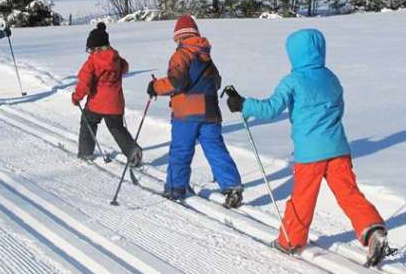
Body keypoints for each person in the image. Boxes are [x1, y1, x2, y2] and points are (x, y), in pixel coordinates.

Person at [224, 28, 391, 266]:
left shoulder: (292, 80)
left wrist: (243, 104)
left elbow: (271, 109)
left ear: (294, 54)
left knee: (302, 198)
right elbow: (339, 108)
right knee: (348, 193)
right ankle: (372, 228)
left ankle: (290, 240)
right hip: (338, 149)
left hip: (309, 153)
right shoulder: (331, 78)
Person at [148, 15, 243, 208]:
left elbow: (176, 82)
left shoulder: (181, 55)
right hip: (210, 112)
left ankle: (175, 188)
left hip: (186, 112)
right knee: (215, 148)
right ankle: (232, 185)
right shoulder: (206, 55)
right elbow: (217, 82)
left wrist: (155, 86)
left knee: (181, 150)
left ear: (179, 36)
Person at [71, 23, 142, 166]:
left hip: (96, 103)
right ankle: (132, 150)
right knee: (117, 127)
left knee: (88, 122)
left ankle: (85, 152)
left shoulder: (91, 63)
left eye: (90, 49)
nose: (89, 52)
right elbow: (125, 67)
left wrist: (76, 97)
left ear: (95, 48)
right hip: (115, 103)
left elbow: (84, 83)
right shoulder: (116, 58)